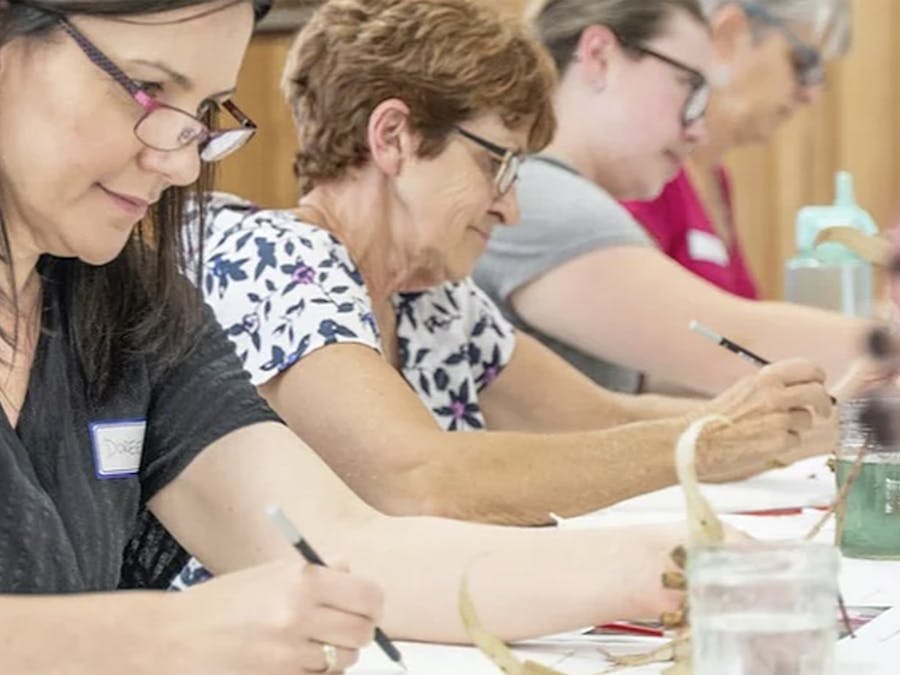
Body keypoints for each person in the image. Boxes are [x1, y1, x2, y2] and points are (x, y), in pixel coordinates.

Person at [0, 0, 742, 670]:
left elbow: (351, 541)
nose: (181, 157)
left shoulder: (138, 304)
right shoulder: (274, 261)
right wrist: (163, 636)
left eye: (203, 115)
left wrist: (655, 565)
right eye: (148, 88)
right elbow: (416, 478)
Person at [193, 0, 832, 540]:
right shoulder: (271, 259)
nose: (511, 208)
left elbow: (600, 417)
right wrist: (707, 438)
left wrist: (791, 425)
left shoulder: (433, 300)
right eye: (497, 166)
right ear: (393, 138)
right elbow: (422, 479)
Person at [472, 0, 871, 397]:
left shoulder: (546, 191)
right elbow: (731, 344)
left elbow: (655, 386)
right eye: (690, 86)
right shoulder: (538, 197)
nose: (698, 131)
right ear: (599, 56)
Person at [623, 0, 850, 299]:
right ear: (728, 36)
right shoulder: (647, 174)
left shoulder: (717, 180)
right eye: (802, 64)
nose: (810, 95)